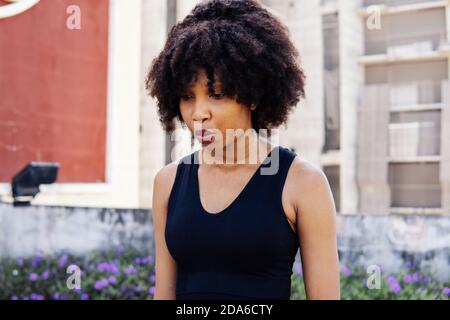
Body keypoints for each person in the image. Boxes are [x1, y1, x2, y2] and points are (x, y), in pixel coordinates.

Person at [146, 0, 340, 300]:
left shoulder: (303, 183)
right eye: (187, 96)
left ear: (252, 95)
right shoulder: (168, 183)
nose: (198, 113)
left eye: (217, 94)